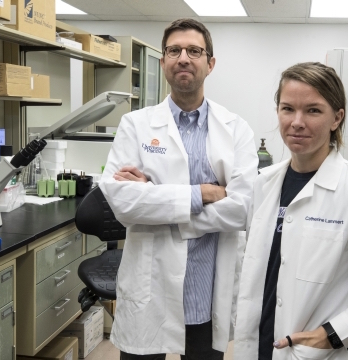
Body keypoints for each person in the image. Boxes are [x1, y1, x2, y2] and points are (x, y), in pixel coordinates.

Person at [233, 62, 348, 360]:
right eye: (287, 108)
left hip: (312, 353)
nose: (297, 121)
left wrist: (331, 334)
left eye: (313, 110)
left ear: (337, 118)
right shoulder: (264, 184)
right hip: (256, 346)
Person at [98, 18, 258, 359]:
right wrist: (203, 194)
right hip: (150, 288)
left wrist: (157, 199)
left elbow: (243, 208)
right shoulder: (136, 125)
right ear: (163, 61)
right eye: (174, 50)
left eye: (194, 51)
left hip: (206, 288)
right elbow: (124, 204)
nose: (183, 57)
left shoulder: (236, 129)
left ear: (210, 64)